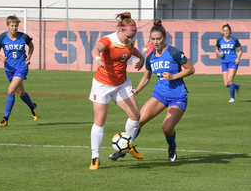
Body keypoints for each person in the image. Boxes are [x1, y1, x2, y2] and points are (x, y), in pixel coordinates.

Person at [111, 18, 195, 162]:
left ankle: (172, 146)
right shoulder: (150, 57)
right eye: (153, 39)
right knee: (137, 121)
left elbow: (191, 69)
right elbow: (146, 77)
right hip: (160, 95)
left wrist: (174, 76)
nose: (156, 42)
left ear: (165, 38)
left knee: (166, 128)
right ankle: (124, 148)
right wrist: (138, 89)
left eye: (159, 39)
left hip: (178, 96)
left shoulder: (174, 52)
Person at [89, 12, 145, 170]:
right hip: (103, 84)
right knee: (100, 121)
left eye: (132, 36)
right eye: (128, 36)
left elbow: (131, 49)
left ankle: (128, 145)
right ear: (120, 30)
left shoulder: (130, 41)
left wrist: (141, 58)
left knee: (136, 116)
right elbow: (95, 49)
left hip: (121, 84)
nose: (130, 39)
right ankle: (95, 157)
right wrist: (98, 58)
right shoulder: (108, 40)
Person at [0, 15, 38, 127]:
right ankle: (32, 106)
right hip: (9, 69)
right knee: (20, 93)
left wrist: (29, 57)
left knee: (11, 90)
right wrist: (2, 58)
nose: (14, 28)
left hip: (22, 67)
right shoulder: (2, 38)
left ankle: (5, 119)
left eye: (16, 25)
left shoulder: (23, 37)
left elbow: (31, 47)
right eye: (12, 25)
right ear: (7, 25)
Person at [215, 24, 243, 102]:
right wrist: (219, 53)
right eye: (224, 31)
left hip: (233, 62)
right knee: (226, 84)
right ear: (222, 32)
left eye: (227, 30)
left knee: (230, 80)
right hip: (224, 62)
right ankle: (236, 87)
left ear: (230, 31)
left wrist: (238, 58)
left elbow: (240, 50)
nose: (226, 32)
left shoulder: (234, 40)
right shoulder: (220, 40)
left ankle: (232, 98)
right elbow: (216, 49)